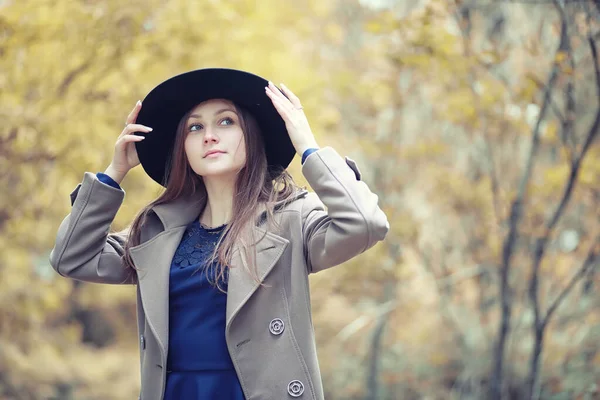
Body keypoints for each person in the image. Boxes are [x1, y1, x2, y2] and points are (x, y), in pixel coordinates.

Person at [49, 68, 389, 400]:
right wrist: (114, 172)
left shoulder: (292, 219)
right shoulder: (157, 232)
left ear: (253, 134)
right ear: (183, 148)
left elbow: (364, 224)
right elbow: (72, 257)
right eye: (195, 127)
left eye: (226, 121)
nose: (209, 135)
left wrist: (308, 147)